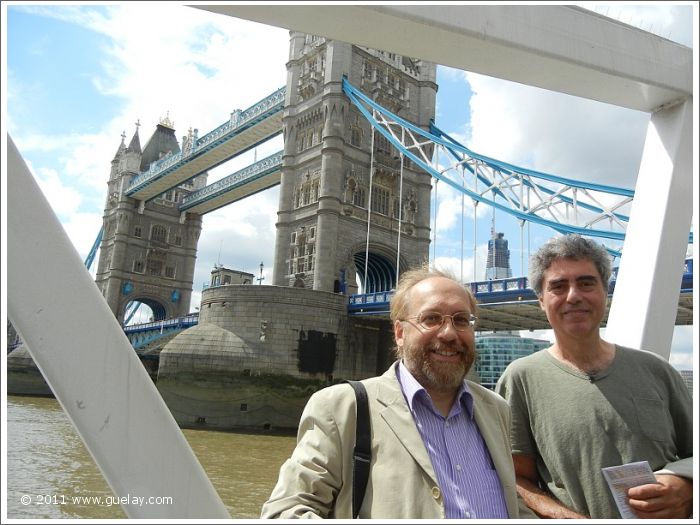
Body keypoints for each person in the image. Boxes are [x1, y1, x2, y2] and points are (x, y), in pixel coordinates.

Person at [261, 265, 536, 519]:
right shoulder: (342, 408)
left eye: (462, 320)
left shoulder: (496, 408)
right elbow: (285, 512)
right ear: (399, 333)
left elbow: (510, 504)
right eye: (431, 319)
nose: (450, 333)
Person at [495, 234, 693, 519]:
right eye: (558, 287)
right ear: (540, 301)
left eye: (586, 283)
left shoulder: (658, 371)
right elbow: (512, 478)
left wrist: (687, 487)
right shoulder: (520, 379)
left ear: (605, 292)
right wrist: (562, 516)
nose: (573, 296)